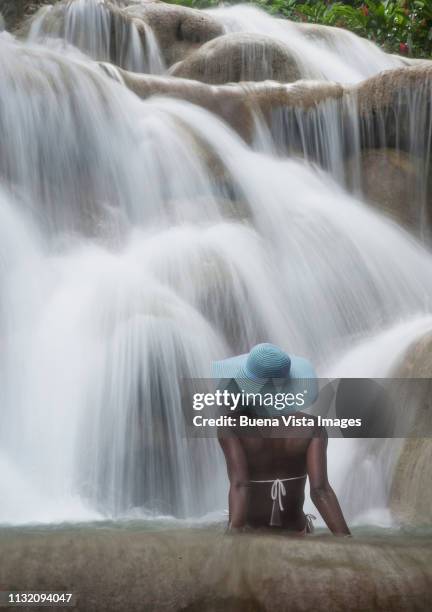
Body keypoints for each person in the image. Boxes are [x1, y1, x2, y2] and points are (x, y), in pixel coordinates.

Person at [213, 343, 351, 536]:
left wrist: (233, 539)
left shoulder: (231, 427)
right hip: (296, 530)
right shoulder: (312, 427)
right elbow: (320, 490)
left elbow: (240, 485)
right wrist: (347, 540)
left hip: (252, 532)